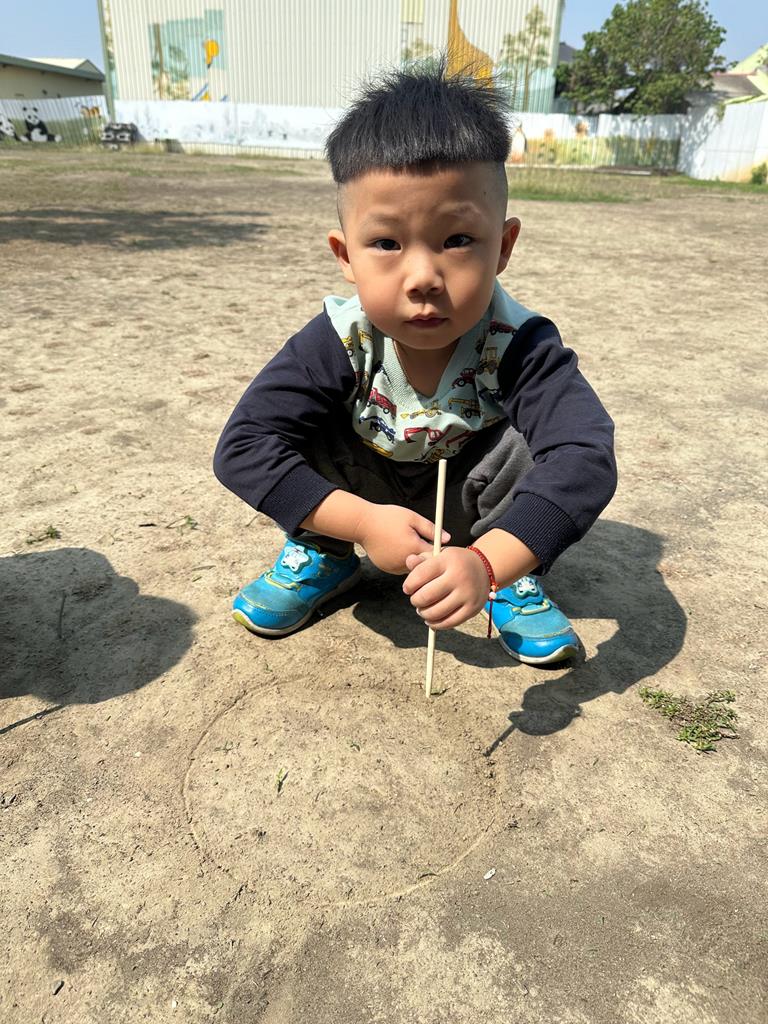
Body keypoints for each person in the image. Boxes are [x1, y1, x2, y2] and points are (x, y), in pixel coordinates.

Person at [213, 62, 617, 665]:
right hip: (362, 495)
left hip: (471, 517)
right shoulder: (337, 340)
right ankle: (324, 551)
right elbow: (243, 446)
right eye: (386, 243)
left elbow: (585, 456)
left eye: (457, 240)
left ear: (503, 246)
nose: (423, 276)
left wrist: (490, 561)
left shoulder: (522, 345)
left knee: (537, 439)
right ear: (345, 256)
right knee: (301, 423)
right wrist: (360, 524)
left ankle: (511, 577)